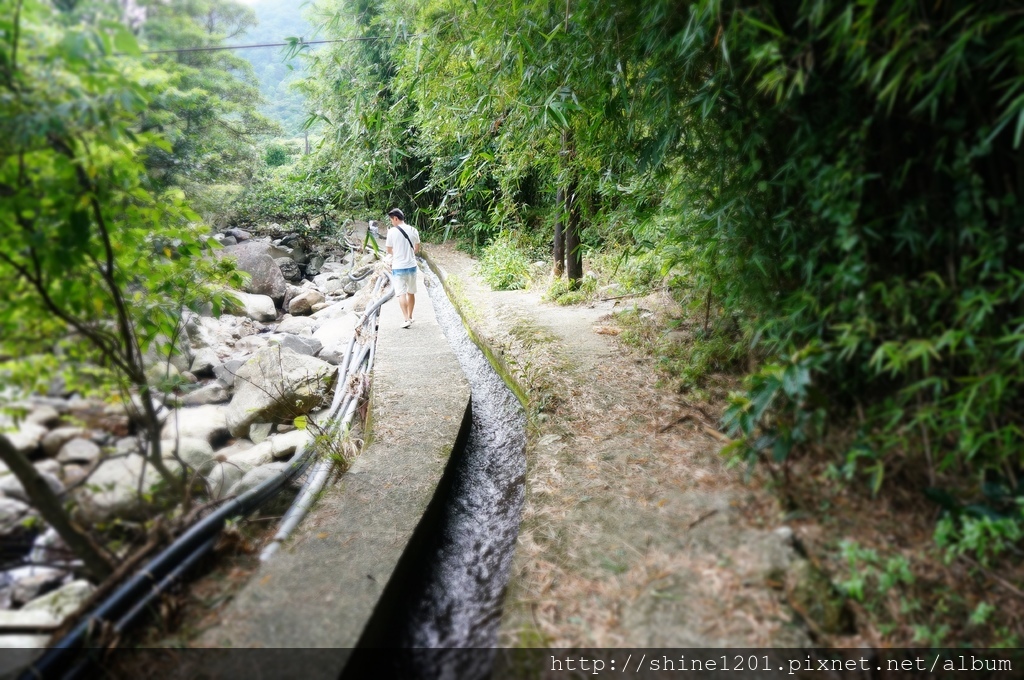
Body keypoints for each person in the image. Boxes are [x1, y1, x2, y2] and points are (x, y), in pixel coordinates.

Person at [384, 208, 421, 328]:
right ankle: (410, 316)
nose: (392, 222)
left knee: (401, 294)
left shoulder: (392, 232)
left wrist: (398, 253)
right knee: (411, 292)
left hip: (398, 267)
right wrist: (409, 253)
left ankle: (406, 319)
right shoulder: (413, 230)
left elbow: (389, 250)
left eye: (391, 220)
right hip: (412, 266)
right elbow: (417, 248)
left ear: (395, 218)